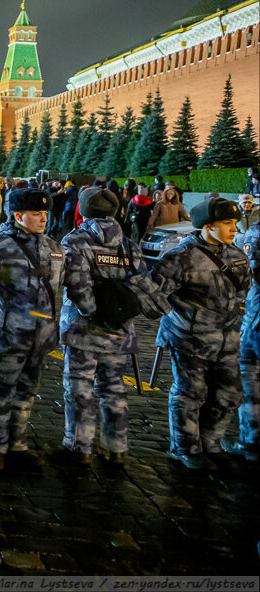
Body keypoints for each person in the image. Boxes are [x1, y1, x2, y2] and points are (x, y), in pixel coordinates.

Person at [58, 188, 165, 467]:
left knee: (80, 389)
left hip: (84, 331)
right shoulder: (127, 244)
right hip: (120, 329)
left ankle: (79, 447)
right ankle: (116, 446)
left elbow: (77, 285)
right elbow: (142, 282)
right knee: (114, 389)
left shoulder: (75, 240)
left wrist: (93, 312)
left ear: (82, 211)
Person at [0, 188, 65, 471]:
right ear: (17, 215)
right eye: (36, 214)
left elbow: (59, 287)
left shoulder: (55, 249)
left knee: (26, 393)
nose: (43, 219)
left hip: (41, 339)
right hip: (7, 338)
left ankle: (17, 445)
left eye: (45, 214)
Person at [150, 197, 250, 470]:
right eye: (227, 223)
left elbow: (241, 292)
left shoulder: (237, 255)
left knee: (229, 393)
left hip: (227, 340)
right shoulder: (181, 258)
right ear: (207, 226)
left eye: (234, 223)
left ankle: (212, 444)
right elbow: (154, 297)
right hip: (190, 341)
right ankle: (186, 448)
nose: (234, 229)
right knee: (190, 393)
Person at [223, 219, 259, 461]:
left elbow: (251, 269)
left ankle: (252, 442)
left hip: (257, 318)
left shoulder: (256, 232)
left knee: (249, 372)